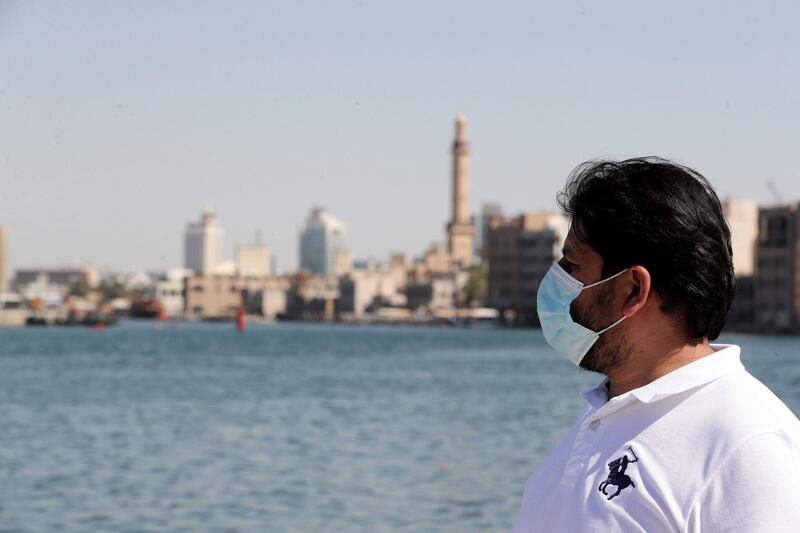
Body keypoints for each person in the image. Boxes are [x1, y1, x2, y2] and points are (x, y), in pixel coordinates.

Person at [512, 158, 800, 532]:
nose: (556, 284)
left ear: (633, 289)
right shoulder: (605, 415)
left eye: (572, 267)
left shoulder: (749, 449)